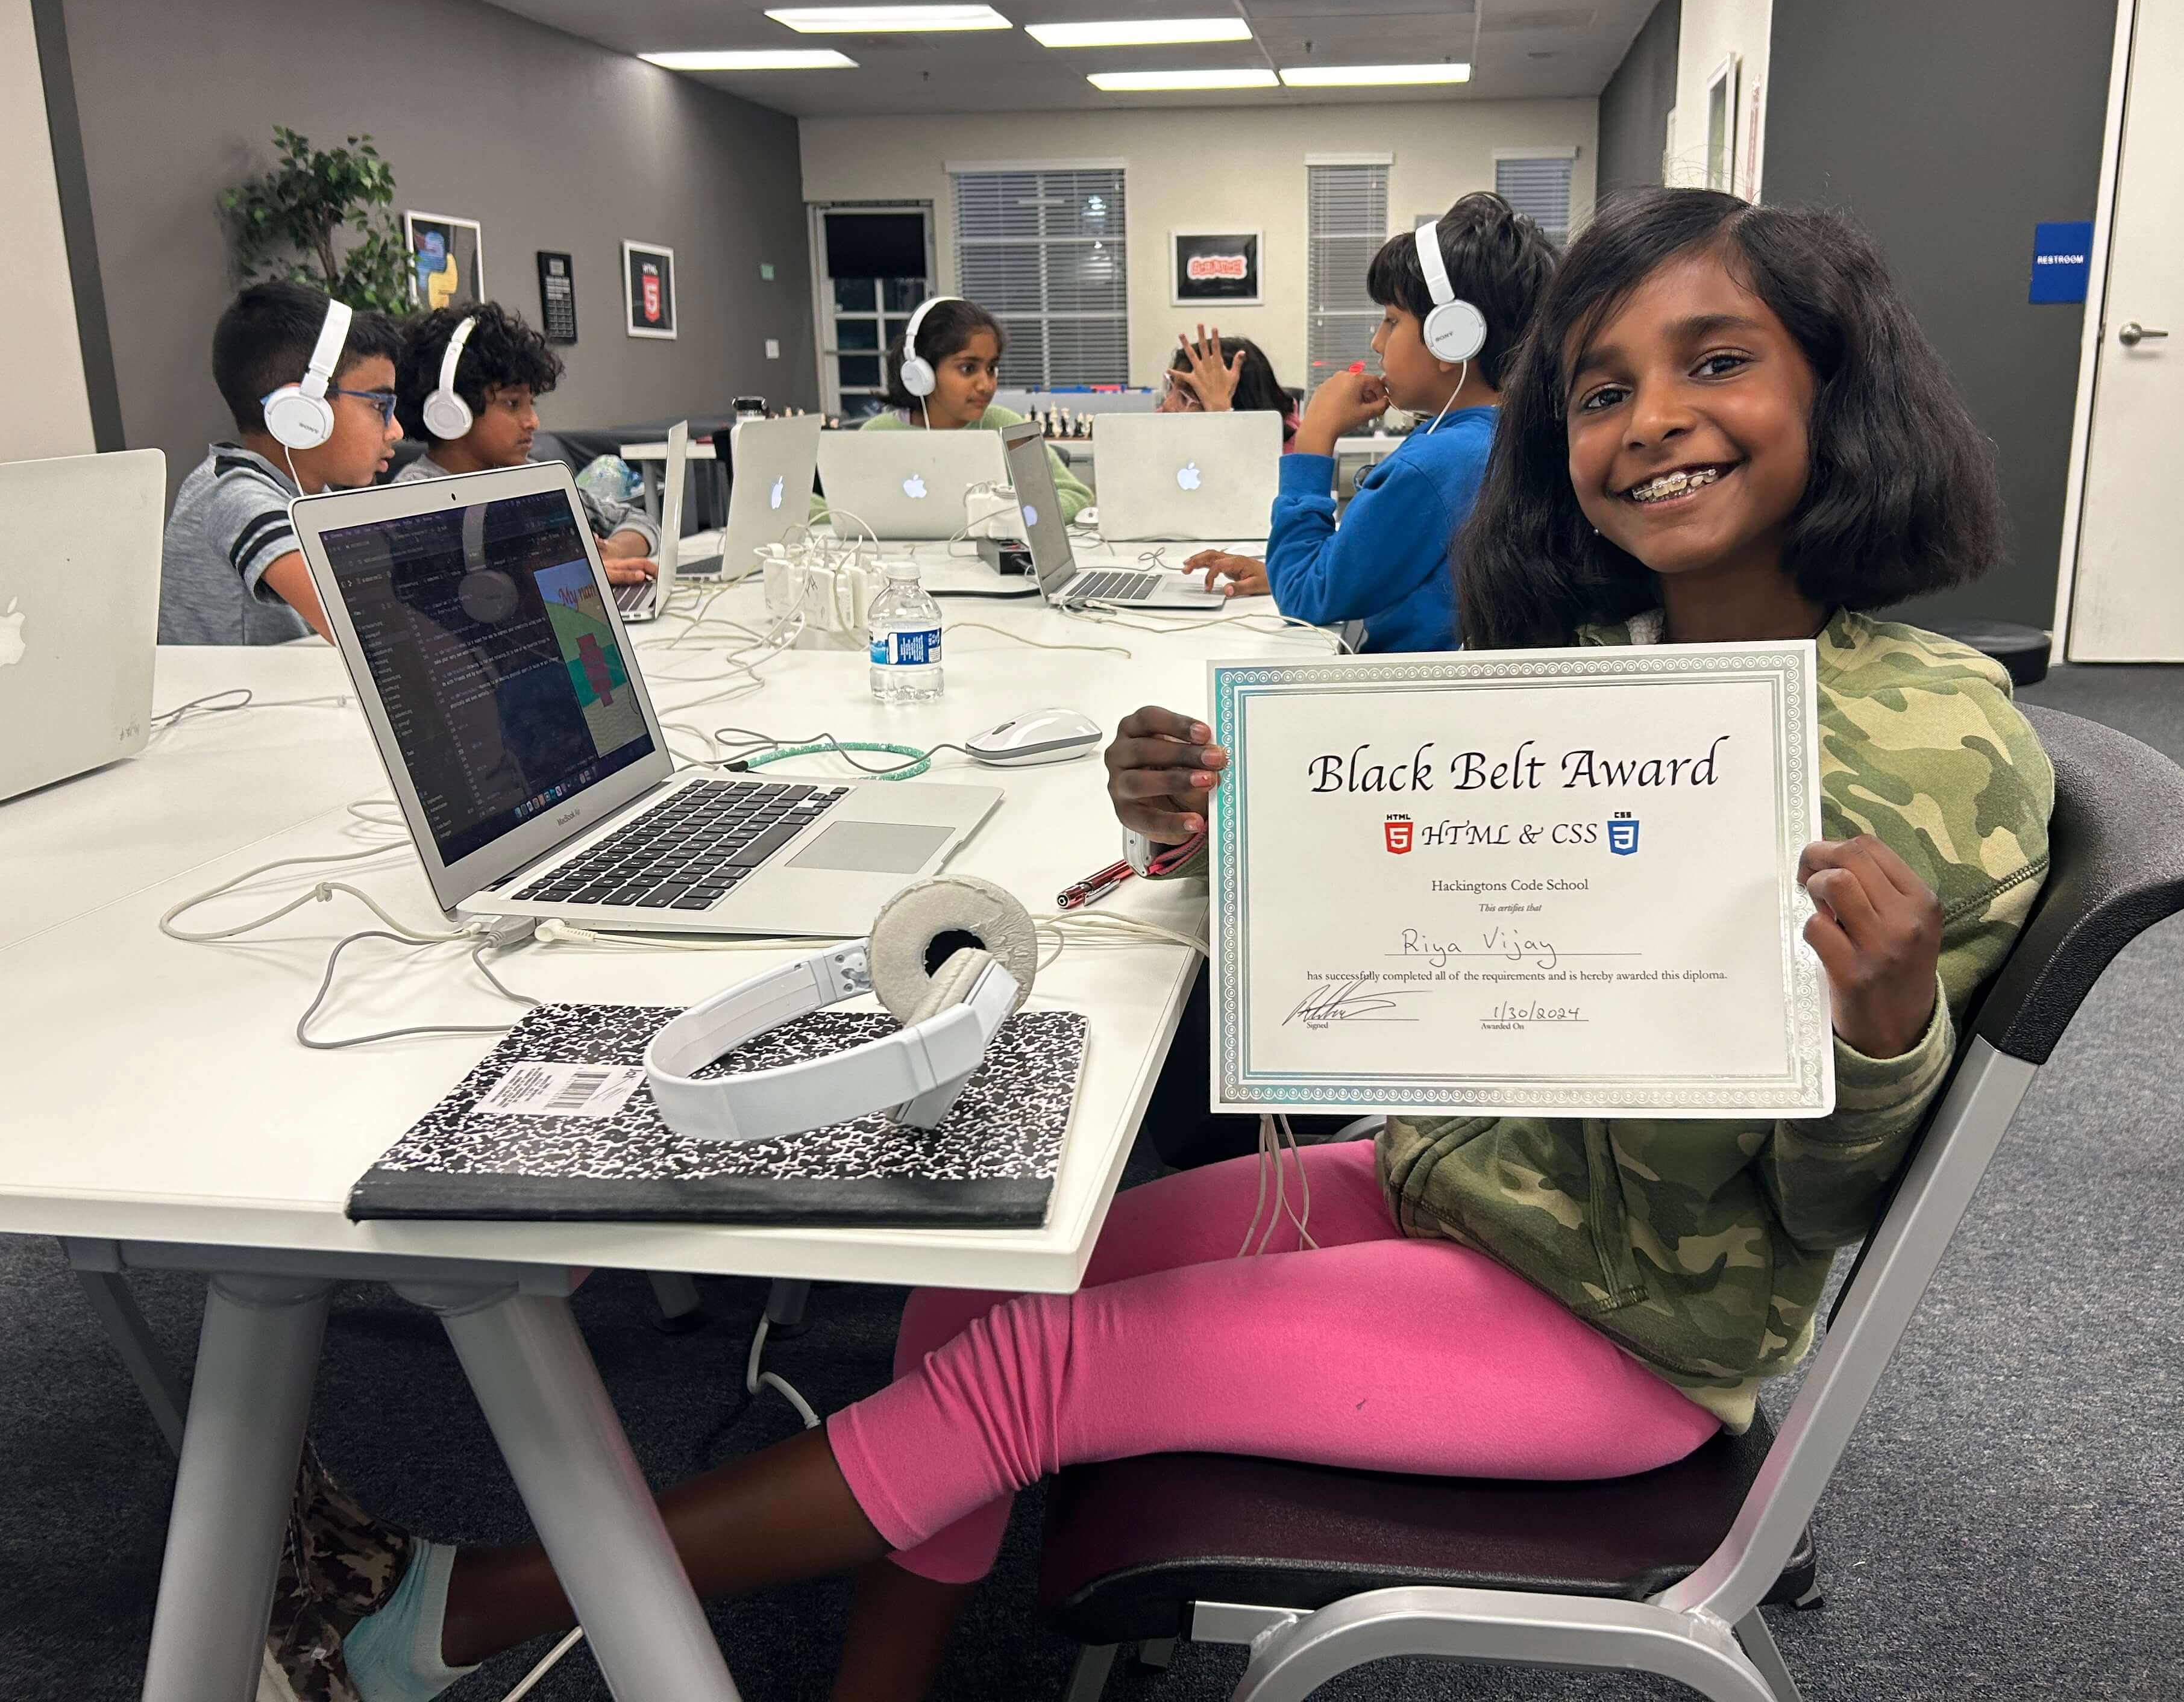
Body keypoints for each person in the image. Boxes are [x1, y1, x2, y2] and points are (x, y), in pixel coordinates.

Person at [298, 188, 2053, 1702]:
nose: (1654, 417)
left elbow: (1830, 1207)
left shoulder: (1929, 749)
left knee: (1035, 1365)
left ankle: (451, 1623)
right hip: (1470, 1179)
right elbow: (1466, 967)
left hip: (1620, 1322)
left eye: (1718, 360)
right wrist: (1214, 842)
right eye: (1603, 389)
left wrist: (1888, 1021)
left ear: (1842, 380)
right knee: (973, 1287)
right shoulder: (1602, 674)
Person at [1179, 191, 1556, 649]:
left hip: (1397, 705)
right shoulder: (1497, 439)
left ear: (1452, 337)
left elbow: (1304, 597)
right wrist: (1282, 571)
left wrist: (1316, 436)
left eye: (1392, 321)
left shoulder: (1440, 463)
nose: (1377, 342)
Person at [158, 281, 402, 645]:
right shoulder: (234, 496)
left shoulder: (312, 496)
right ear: (302, 411)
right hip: (236, 700)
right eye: (379, 406)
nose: (395, 430)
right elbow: (369, 629)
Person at [390, 301, 657, 588]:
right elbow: (443, 590)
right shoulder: (412, 499)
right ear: (451, 411)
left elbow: (639, 520)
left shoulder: (531, 478)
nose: (532, 421)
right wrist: (566, 573)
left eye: (532, 404)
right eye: (512, 403)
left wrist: (608, 552)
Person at [859, 296, 1091, 522]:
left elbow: (1075, 496)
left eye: (991, 368)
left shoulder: (1006, 427)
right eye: (968, 368)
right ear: (921, 373)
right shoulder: (876, 434)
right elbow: (831, 507)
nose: (986, 385)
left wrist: (1007, 518)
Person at [1158, 324, 1299, 443]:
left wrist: (1221, 415)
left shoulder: (1288, 452)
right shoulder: (1162, 422)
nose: (1166, 407)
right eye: (1171, 388)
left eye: (1184, 398)